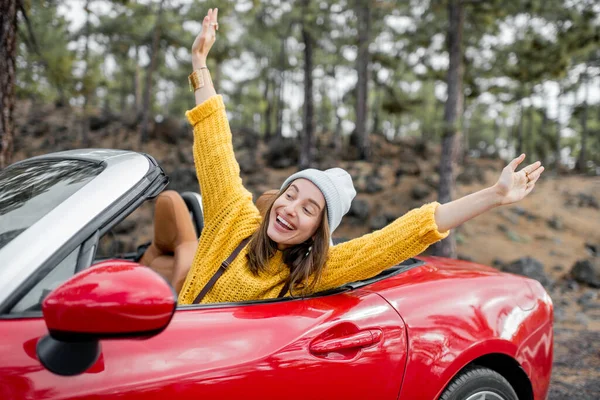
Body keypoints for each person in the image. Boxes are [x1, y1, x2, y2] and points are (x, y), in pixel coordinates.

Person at [177, 9, 545, 305]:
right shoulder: (233, 219)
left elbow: (406, 234)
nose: (290, 208)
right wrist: (199, 62)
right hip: (166, 352)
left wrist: (494, 196)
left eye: (308, 209)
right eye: (291, 194)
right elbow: (215, 144)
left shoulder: (312, 273)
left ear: (316, 233)